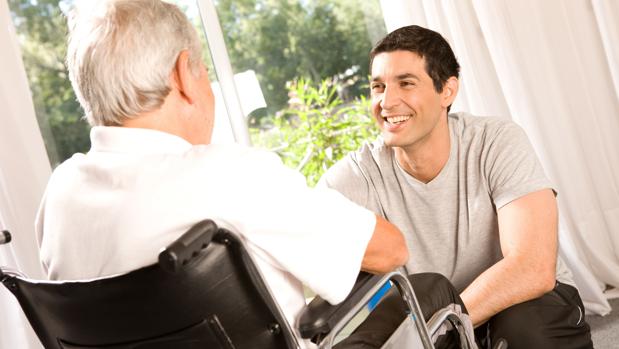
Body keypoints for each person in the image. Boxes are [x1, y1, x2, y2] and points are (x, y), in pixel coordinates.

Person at [35, 2, 470, 348]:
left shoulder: (60, 196)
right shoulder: (226, 175)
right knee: (428, 288)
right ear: (185, 74)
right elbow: (390, 250)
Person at [320, 25, 593, 348]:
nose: (386, 101)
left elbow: (533, 267)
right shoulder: (357, 175)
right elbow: (302, 239)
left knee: (526, 329)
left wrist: (435, 329)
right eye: (378, 87)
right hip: (435, 321)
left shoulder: (496, 141)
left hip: (523, 303)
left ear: (447, 91)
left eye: (406, 83)